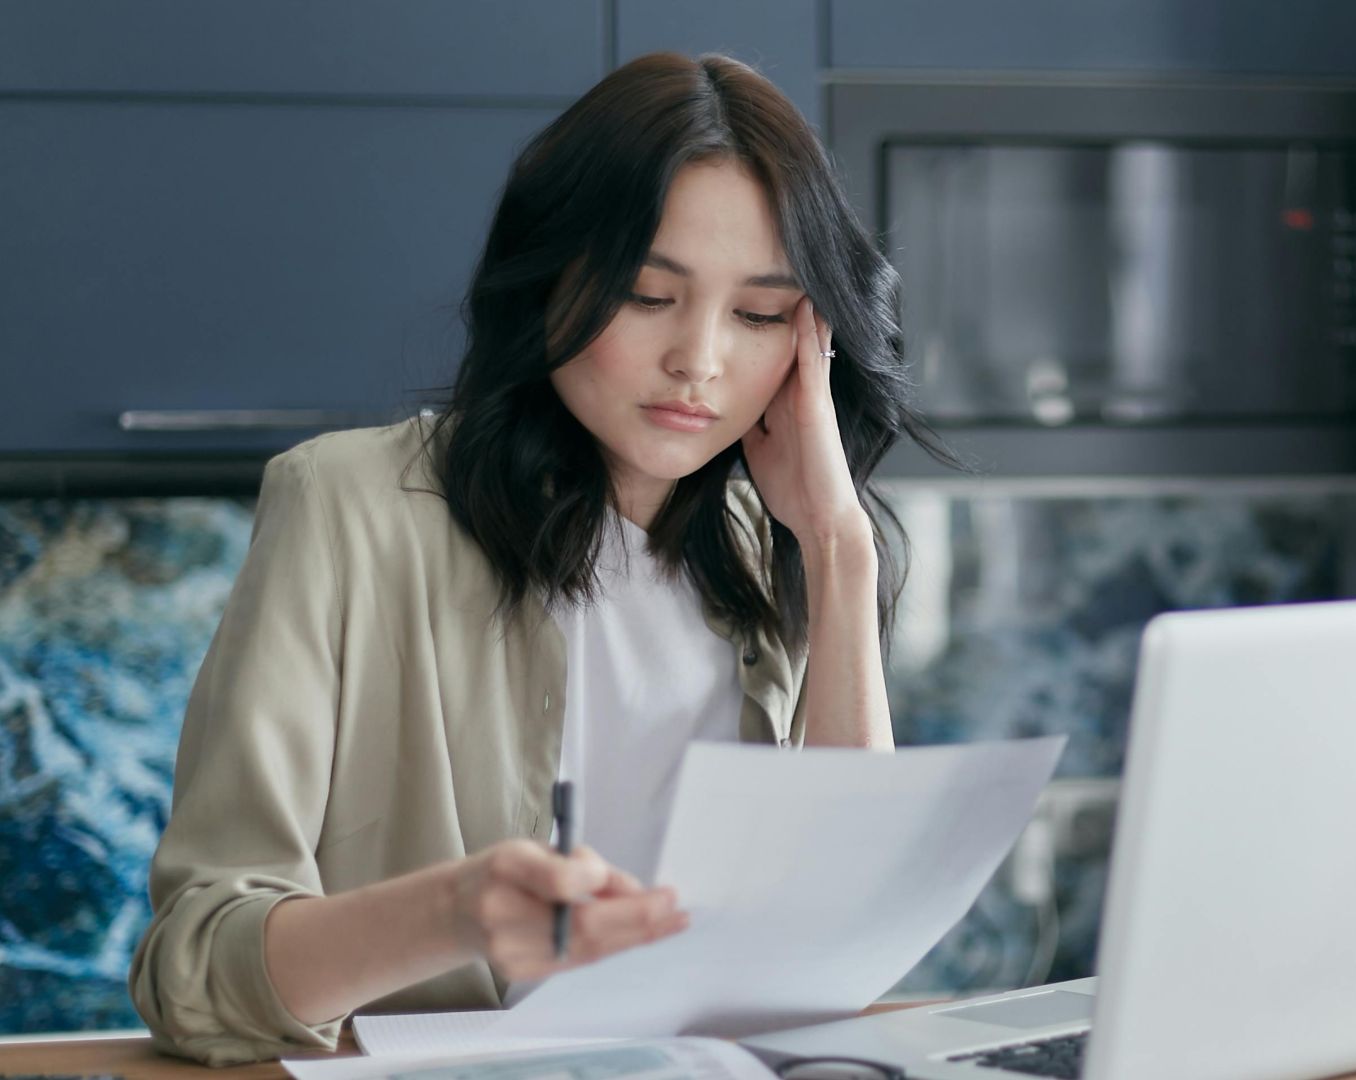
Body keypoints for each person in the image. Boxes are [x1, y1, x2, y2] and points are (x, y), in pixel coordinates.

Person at [128, 51, 947, 1066]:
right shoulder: (348, 506)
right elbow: (195, 976)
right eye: (650, 295)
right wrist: (457, 910)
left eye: (760, 315)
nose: (700, 360)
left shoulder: (765, 548)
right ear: (552, 277)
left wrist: (838, 546)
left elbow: (844, 942)